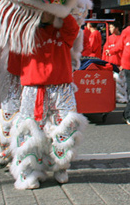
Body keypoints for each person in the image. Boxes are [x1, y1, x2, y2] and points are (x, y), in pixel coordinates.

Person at [10, 12, 86, 190]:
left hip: (61, 88)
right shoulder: (24, 33)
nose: (45, 13)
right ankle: (28, 172)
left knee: (66, 128)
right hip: (33, 89)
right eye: (40, 9)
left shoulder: (63, 31)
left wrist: (58, 6)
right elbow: (14, 64)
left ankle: (61, 166)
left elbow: (72, 27)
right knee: (29, 131)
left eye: (49, 9)